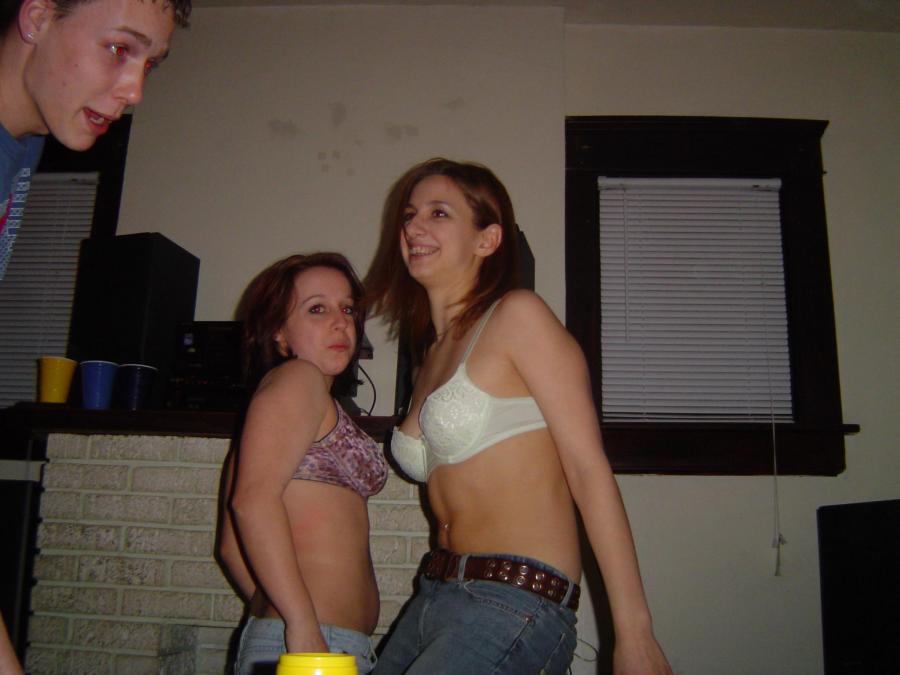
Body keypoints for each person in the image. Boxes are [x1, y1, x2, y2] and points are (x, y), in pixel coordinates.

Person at [365, 158, 672, 674]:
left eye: (438, 213)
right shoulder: (430, 357)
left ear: (487, 239)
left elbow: (588, 470)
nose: (413, 227)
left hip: (513, 601)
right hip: (433, 595)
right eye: (410, 214)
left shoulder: (518, 316)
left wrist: (634, 633)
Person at [217, 252, 388, 675]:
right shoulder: (298, 379)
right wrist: (301, 623)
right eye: (317, 309)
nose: (341, 322)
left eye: (347, 309)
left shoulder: (287, 403)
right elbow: (251, 503)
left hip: (317, 638)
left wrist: (279, 613)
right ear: (279, 332)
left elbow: (230, 547)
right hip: (311, 642)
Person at [0, 0, 191, 274]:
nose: (135, 93)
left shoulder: (29, 139)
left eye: (149, 65)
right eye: (119, 49)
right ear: (38, 19)